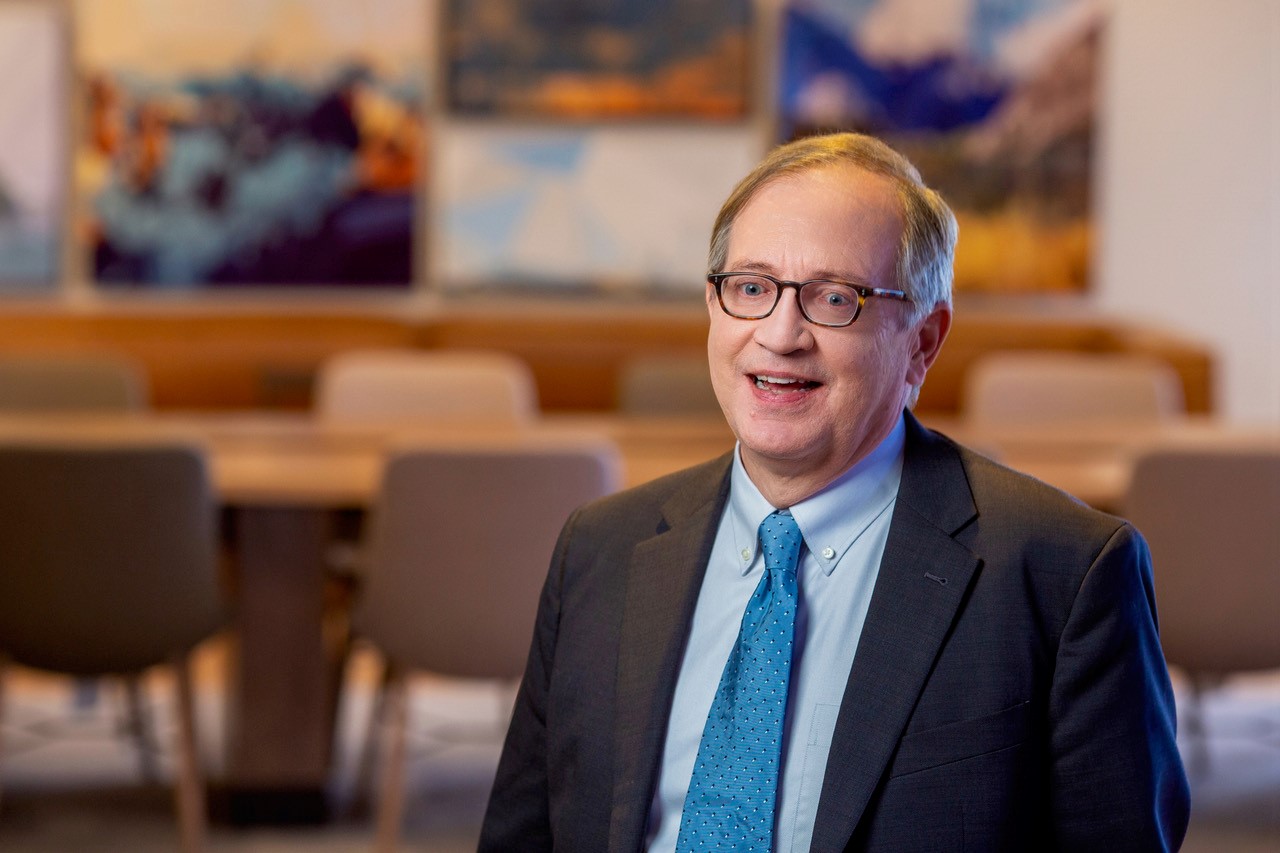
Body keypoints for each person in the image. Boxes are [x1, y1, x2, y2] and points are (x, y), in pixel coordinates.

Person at [479, 132, 1190, 851]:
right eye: (751, 288)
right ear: (714, 308)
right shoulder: (599, 550)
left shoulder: (1065, 574)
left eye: (834, 298)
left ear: (923, 341)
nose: (780, 334)